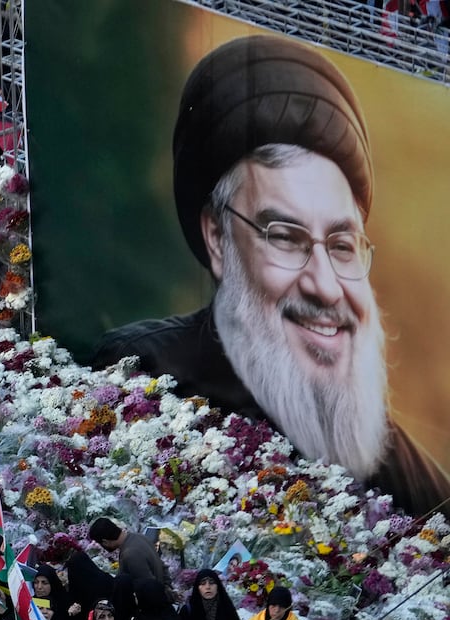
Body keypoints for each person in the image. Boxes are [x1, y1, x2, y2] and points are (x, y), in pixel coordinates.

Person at [94, 35, 450, 514]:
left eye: (343, 246)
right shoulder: (139, 375)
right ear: (218, 238)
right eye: (285, 237)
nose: (325, 286)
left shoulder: (424, 494)